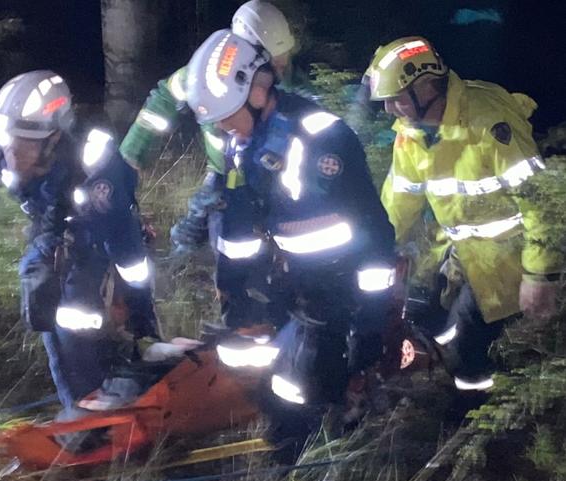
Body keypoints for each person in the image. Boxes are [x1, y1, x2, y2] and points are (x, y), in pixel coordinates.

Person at [184, 30, 397, 418]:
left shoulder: (323, 140)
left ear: (258, 91)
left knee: (298, 393)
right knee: (260, 372)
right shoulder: (244, 143)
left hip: (339, 288)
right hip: (289, 282)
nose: (221, 130)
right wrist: (235, 296)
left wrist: (370, 319)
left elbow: (374, 233)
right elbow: (239, 223)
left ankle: (325, 441)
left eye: (226, 117)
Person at [0, 70, 166, 410]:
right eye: (7, 142)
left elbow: (126, 247)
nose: (11, 155)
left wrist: (140, 309)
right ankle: (86, 398)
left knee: (72, 310)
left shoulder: (96, 173)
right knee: (46, 295)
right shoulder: (1, 134)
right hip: (48, 223)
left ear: (52, 140)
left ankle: (92, 399)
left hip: (89, 229)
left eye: (21, 146)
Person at [367, 36, 563, 391]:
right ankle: (465, 377)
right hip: (458, 254)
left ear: (425, 88)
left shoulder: (489, 121)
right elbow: (399, 201)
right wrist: (374, 249)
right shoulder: (411, 135)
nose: (389, 110)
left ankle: (480, 407)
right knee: (426, 315)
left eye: (395, 99)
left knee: (466, 341)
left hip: (507, 261)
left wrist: (539, 276)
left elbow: (537, 202)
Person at [119, 0, 307, 255]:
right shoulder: (206, 73)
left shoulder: (286, 90)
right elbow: (164, 99)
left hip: (262, 179)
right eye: (277, 65)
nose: (280, 72)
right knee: (193, 239)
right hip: (222, 170)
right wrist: (132, 155)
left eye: (282, 64)